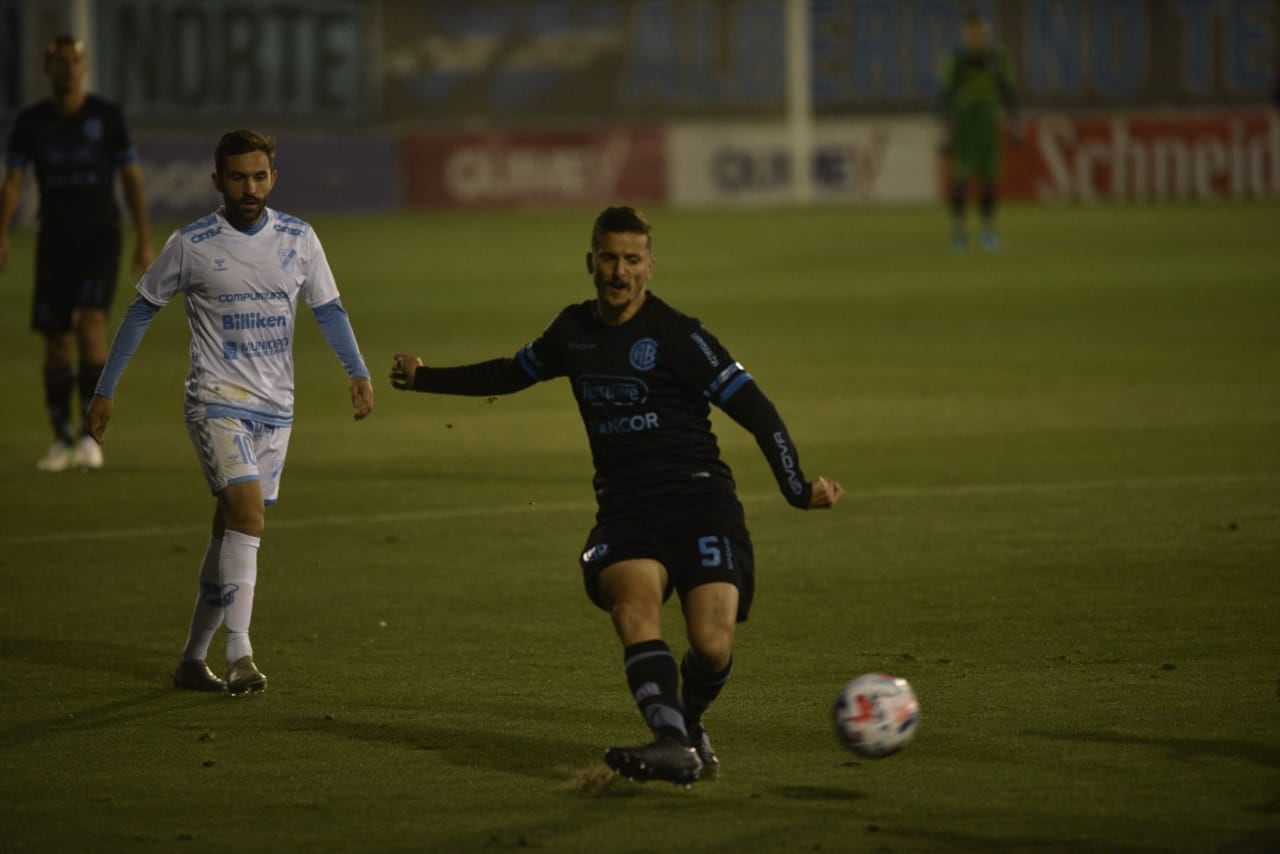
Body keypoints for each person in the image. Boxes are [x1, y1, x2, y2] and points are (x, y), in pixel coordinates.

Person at [390, 206, 843, 784]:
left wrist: (797, 489)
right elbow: (509, 373)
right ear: (591, 262)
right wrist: (425, 377)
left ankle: (689, 723)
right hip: (628, 509)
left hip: (701, 500)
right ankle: (672, 741)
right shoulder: (572, 332)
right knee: (634, 606)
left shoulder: (680, 335)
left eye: (632, 259)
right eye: (609, 258)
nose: (619, 272)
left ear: (650, 266)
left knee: (711, 645)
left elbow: (758, 412)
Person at [86, 129, 375, 695]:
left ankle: (192, 660)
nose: (250, 187)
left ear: (273, 177)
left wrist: (357, 371)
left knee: (228, 535)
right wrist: (105, 388)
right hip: (215, 402)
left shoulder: (299, 238)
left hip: (277, 408)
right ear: (217, 181)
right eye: (238, 177)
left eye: (260, 176)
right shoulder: (192, 244)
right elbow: (141, 310)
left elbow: (330, 309)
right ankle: (240, 653)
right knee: (248, 518)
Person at [0, 34, 153, 471]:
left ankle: (89, 438)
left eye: (75, 61)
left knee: (90, 326)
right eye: (60, 61)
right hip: (54, 240)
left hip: (100, 237)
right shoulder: (31, 122)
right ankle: (61, 439)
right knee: (55, 343)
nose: (69, 68)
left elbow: (132, 180)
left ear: (84, 66)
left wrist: (143, 238)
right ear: (47, 68)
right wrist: (2, 233)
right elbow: (12, 181)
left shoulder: (107, 117)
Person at [937, 11, 1020, 251]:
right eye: (972, 34)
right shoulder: (957, 59)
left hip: (988, 127)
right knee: (960, 180)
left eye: (981, 33)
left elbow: (1008, 92)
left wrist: (1015, 123)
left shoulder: (997, 57)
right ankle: (959, 232)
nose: (977, 38)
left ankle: (987, 231)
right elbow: (945, 94)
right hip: (965, 127)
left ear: (987, 33)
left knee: (989, 180)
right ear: (965, 35)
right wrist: (945, 129)